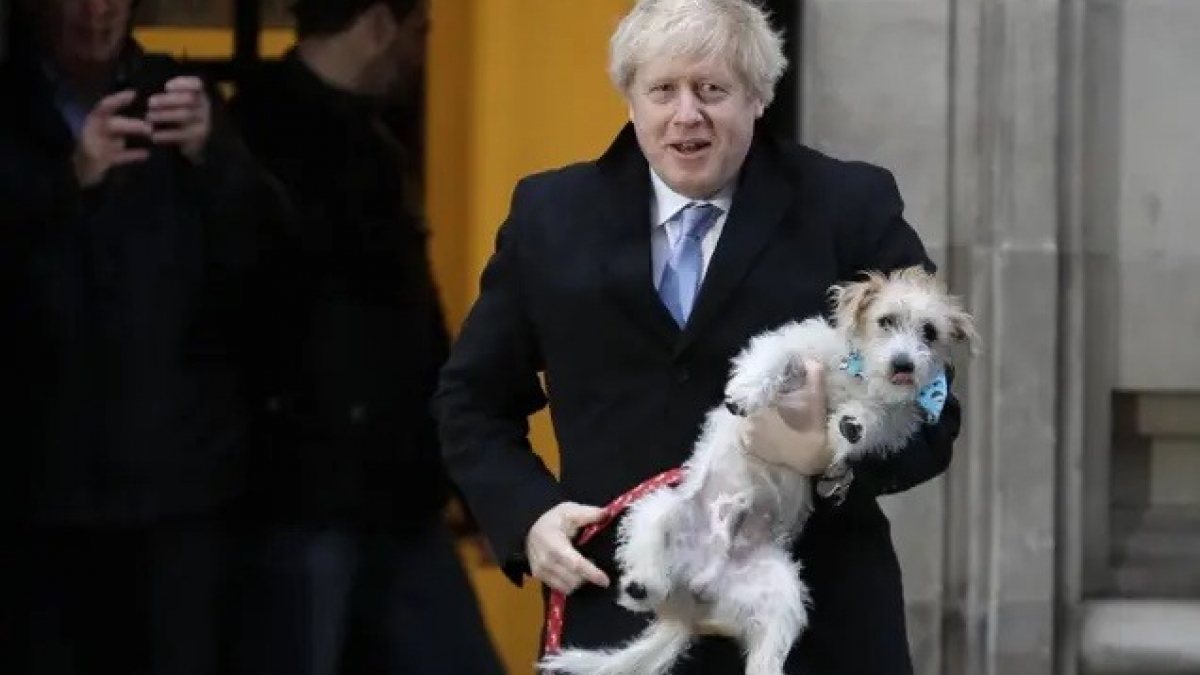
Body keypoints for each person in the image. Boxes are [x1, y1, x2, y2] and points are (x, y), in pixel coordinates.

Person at [433, 0, 964, 673]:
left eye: (713, 90)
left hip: (814, 629)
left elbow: (936, 399)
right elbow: (471, 401)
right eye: (663, 90)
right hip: (623, 609)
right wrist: (529, 516)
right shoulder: (549, 217)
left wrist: (828, 456)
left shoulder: (848, 206)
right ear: (630, 99)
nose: (687, 114)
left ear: (758, 97)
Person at [226, 2, 504, 674]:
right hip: (311, 492)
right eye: (418, 34)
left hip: (379, 491)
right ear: (379, 25)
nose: (419, 54)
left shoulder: (290, 137)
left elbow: (411, 331)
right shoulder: (257, 145)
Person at [0, 0, 277, 673]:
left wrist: (216, 154)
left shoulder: (178, 97)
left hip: (176, 485)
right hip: (42, 489)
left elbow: (272, 262)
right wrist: (69, 181)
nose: (98, 15)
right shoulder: (12, 107)